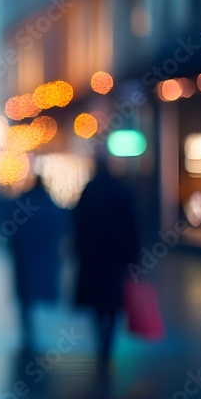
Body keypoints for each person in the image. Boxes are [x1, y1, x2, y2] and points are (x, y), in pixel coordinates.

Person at [73, 156, 139, 367]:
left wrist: (79, 249)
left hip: (93, 255)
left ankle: (102, 337)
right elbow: (132, 226)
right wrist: (133, 256)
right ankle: (109, 339)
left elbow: (78, 223)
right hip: (115, 255)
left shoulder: (89, 191)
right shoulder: (122, 191)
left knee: (97, 300)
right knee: (113, 298)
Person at [10, 174, 68, 351]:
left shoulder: (23, 204)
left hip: (26, 254)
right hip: (43, 254)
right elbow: (60, 225)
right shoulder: (49, 205)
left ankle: (27, 324)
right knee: (37, 287)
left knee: (26, 292)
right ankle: (30, 324)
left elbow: (13, 229)